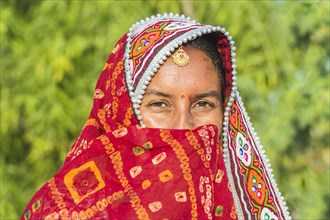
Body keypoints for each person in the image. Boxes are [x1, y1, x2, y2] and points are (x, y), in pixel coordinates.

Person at [21, 13, 290, 220]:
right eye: (160, 104)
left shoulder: (237, 208)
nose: (184, 125)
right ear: (123, 112)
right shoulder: (67, 211)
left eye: (204, 104)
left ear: (226, 112)